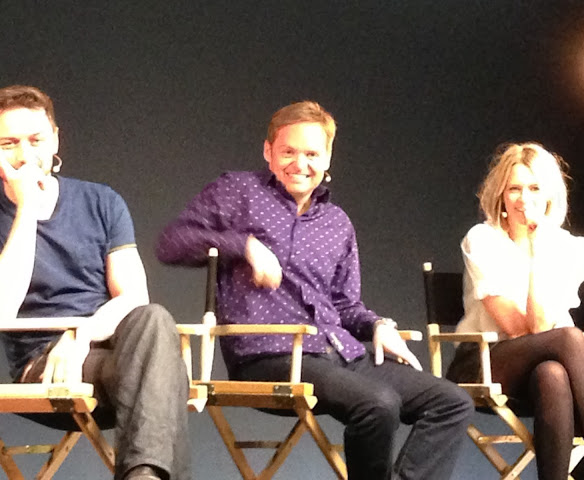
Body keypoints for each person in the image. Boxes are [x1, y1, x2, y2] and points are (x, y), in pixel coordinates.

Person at [156, 101, 473, 480]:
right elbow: (172, 242)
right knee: (378, 404)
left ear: (327, 158)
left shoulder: (336, 222)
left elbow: (345, 304)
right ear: (268, 151)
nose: (300, 164)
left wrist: (377, 326)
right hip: (269, 355)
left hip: (340, 352)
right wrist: (244, 246)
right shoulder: (239, 191)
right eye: (288, 152)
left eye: (311, 154)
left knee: (451, 402)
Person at [0, 85, 190, 480]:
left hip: (111, 348)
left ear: (55, 140)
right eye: (9, 143)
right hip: (44, 365)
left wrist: (80, 335)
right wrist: (26, 207)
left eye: (36, 140)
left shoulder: (103, 202)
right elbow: (0, 306)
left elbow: (134, 297)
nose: (25, 155)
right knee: (166, 377)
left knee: (153, 320)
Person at [446, 142, 584, 479]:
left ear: (549, 194)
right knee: (568, 338)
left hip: (543, 368)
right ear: (502, 195)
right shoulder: (483, 240)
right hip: (484, 361)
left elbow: (540, 326)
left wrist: (542, 247)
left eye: (534, 188)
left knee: (552, 374)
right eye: (514, 189)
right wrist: (536, 254)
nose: (524, 199)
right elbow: (524, 330)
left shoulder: (570, 249)